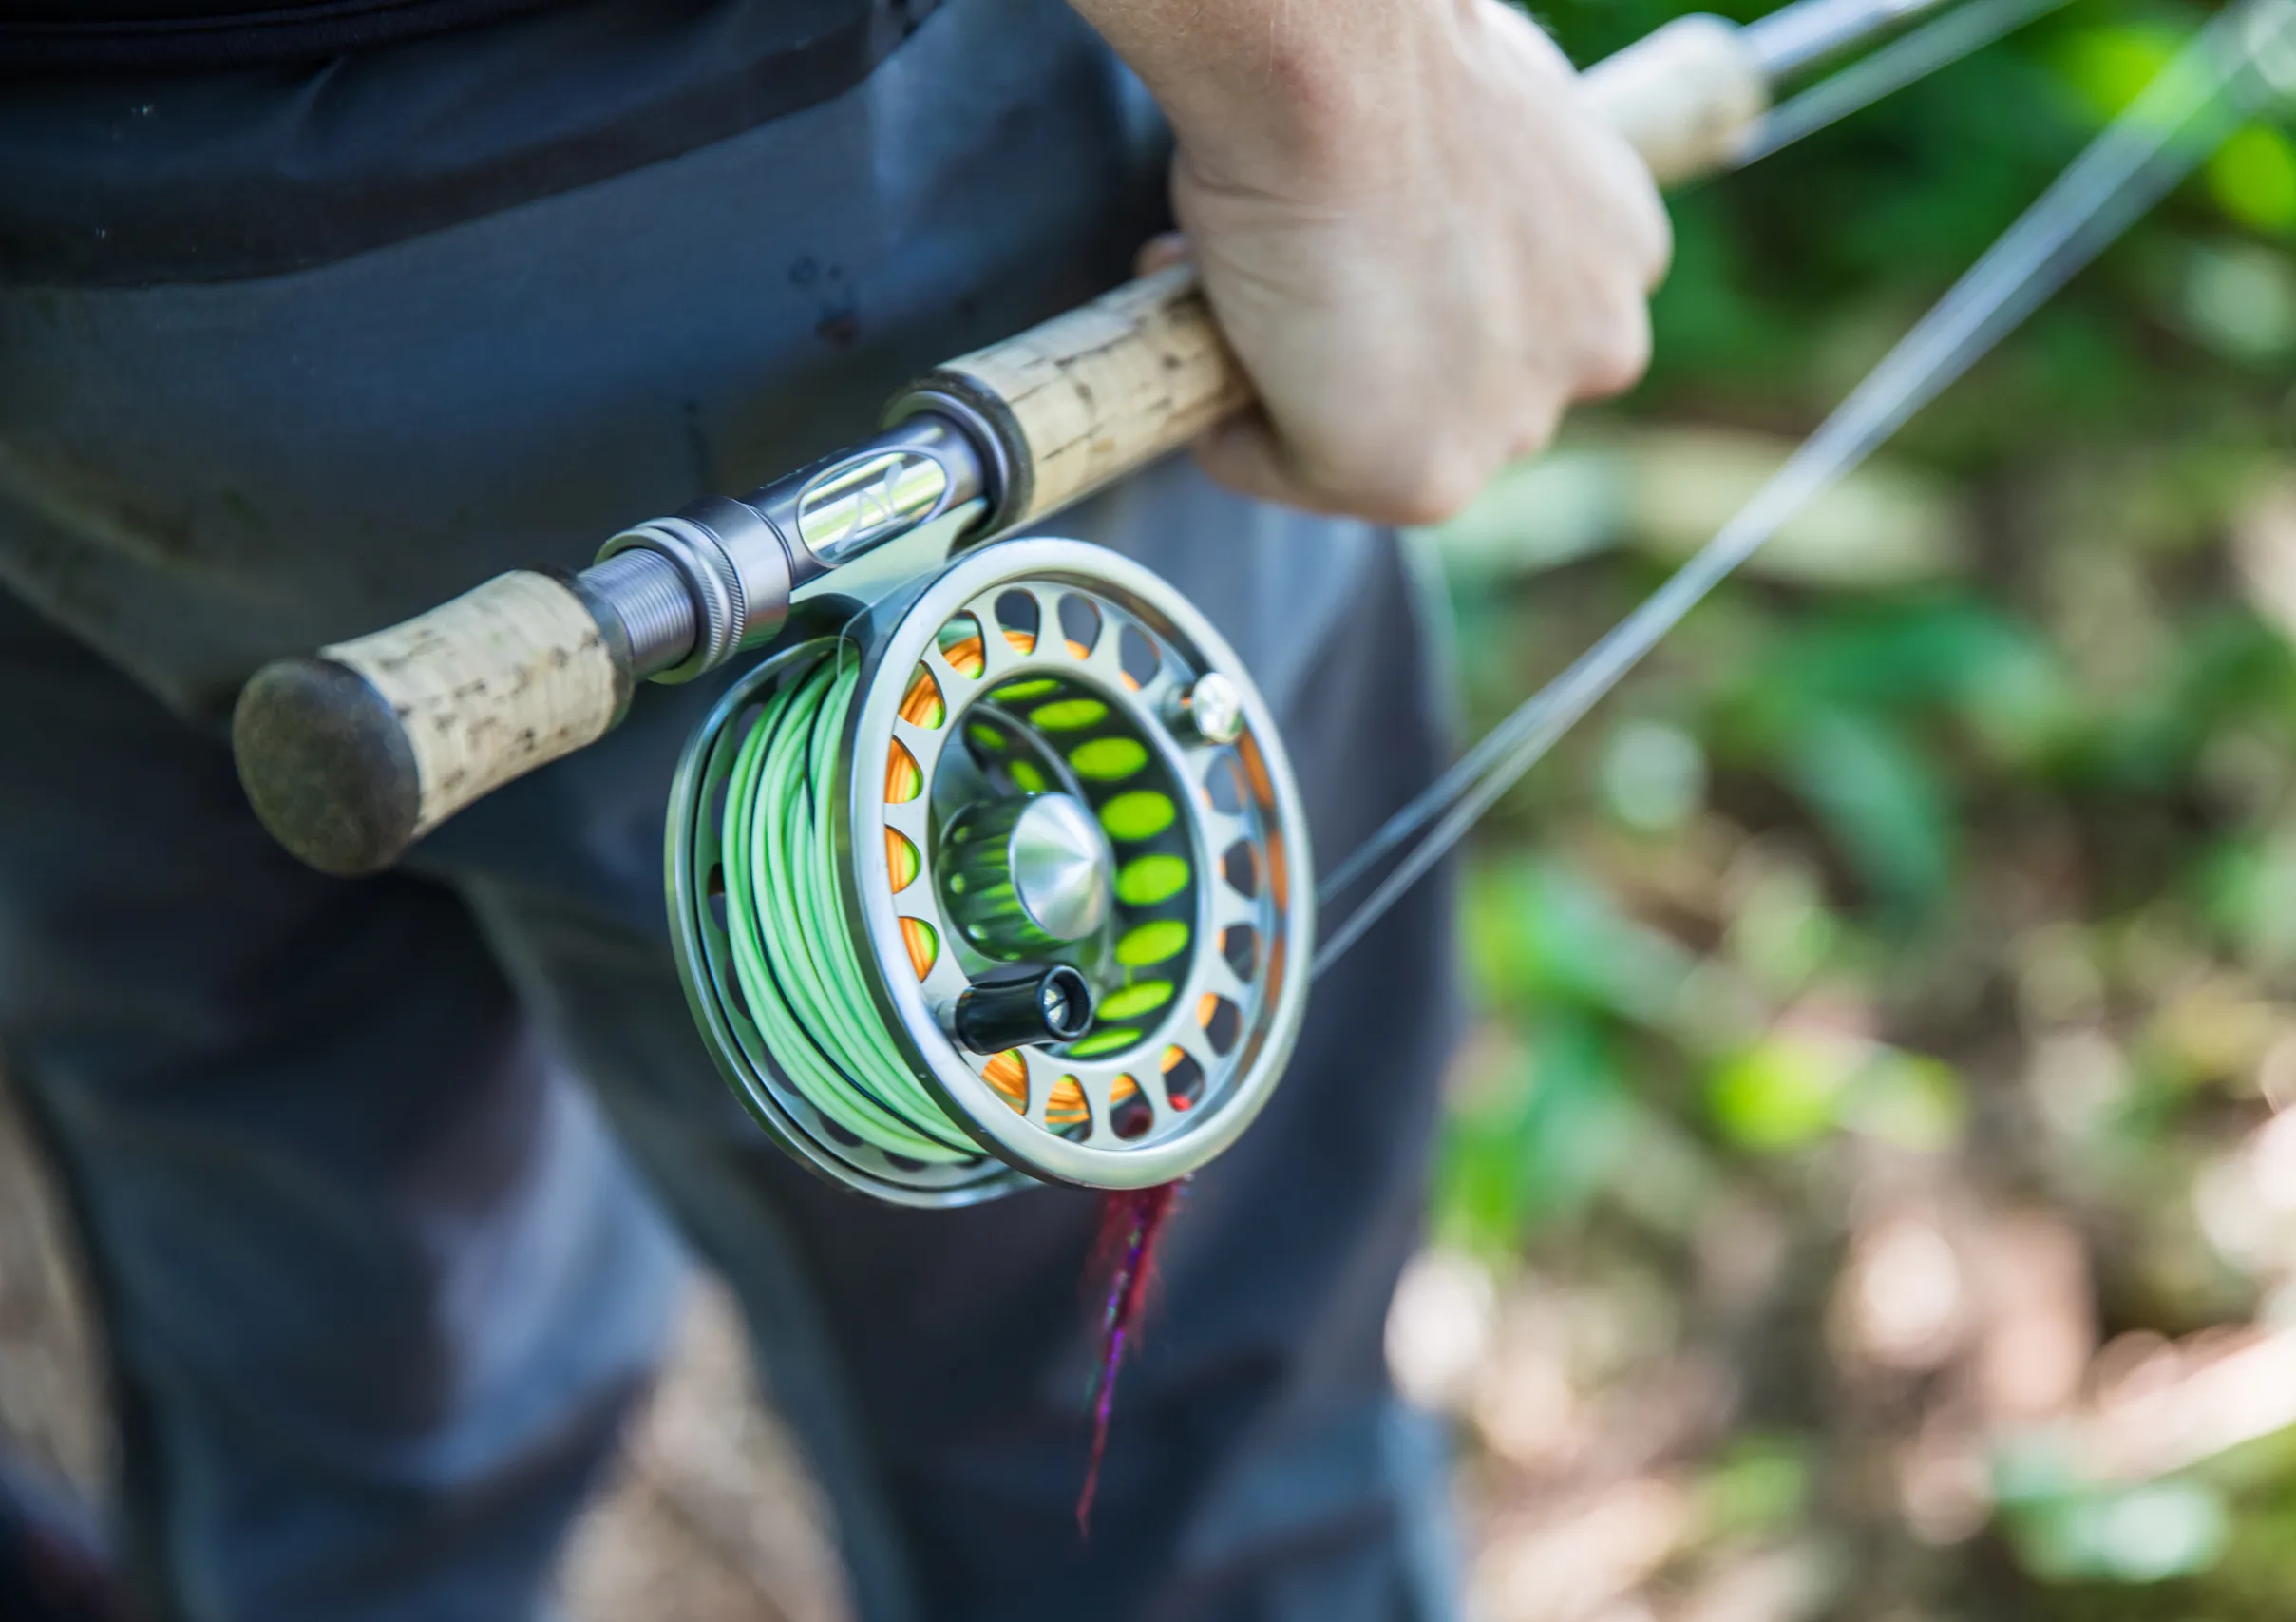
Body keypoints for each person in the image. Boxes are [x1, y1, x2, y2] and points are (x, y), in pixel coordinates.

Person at [0, 0, 1668, 1616]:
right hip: (755, 139)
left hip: (65, 306)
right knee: (1169, 1473)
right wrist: (1357, 87)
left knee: (317, 1375)